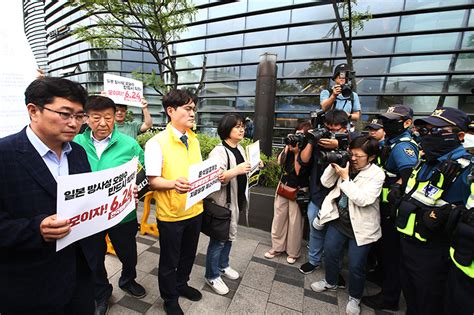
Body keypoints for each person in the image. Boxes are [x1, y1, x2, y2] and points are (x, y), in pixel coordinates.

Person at [0, 77, 99, 314]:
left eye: (79, 116)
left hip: (80, 275)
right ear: (33, 110)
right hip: (30, 285)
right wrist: (37, 229)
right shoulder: (4, 155)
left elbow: (84, 199)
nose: (74, 123)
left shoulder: (78, 152)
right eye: (65, 114)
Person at [74, 95, 146, 315]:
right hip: (89, 217)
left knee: (128, 253)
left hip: (122, 214)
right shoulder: (74, 144)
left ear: (115, 117)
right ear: (86, 118)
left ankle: (128, 279)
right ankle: (101, 293)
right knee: (93, 257)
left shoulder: (129, 144)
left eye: (108, 117)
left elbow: (144, 175)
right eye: (96, 118)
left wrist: (137, 189)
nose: (103, 123)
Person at [395, 107, 471, 315]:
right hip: (409, 241)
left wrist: (453, 213)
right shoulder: (425, 162)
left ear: (460, 135)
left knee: (429, 303)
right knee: (411, 297)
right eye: (426, 130)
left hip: (435, 251)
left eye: (437, 131)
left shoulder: (466, 170)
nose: (429, 136)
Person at [311, 135, 385, 315]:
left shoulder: (377, 174)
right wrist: (333, 164)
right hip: (340, 221)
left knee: (356, 265)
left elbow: (363, 200)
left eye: (358, 156)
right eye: (351, 154)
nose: (353, 159)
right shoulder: (347, 165)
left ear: (371, 157)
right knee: (330, 252)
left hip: (362, 227)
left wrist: (345, 178)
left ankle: (355, 297)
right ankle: (331, 281)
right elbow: (325, 183)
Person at [144, 89, 203, 315]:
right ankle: (169, 299)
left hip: (195, 209)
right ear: (170, 111)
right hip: (171, 214)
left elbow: (195, 172)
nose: (192, 114)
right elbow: (153, 181)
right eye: (187, 109)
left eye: (193, 109)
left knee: (189, 255)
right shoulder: (156, 143)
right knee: (169, 260)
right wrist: (173, 184)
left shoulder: (194, 140)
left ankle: (182, 285)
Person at [362, 105, 419, 312]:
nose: (386, 124)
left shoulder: (403, 147)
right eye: (385, 119)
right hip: (384, 206)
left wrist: (396, 186)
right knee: (384, 250)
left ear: (406, 123)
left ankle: (389, 297)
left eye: (391, 120)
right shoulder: (391, 142)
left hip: (393, 209)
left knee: (392, 254)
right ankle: (380, 277)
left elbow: (409, 175)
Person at [298, 109, 352, 280]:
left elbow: (359, 158)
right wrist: (311, 140)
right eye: (328, 128)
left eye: (335, 130)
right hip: (317, 194)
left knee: (335, 237)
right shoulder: (318, 140)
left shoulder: (353, 142)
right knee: (315, 229)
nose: (330, 133)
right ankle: (313, 261)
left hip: (339, 198)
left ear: (344, 128)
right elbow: (304, 160)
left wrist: (340, 145)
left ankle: (334, 270)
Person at [204, 113, 251, 295]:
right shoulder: (219, 151)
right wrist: (237, 170)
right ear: (226, 129)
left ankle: (223, 265)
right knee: (218, 240)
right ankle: (212, 275)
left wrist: (254, 165)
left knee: (229, 237)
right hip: (223, 203)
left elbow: (243, 171)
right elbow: (217, 178)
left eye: (243, 126)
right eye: (237, 126)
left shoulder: (240, 148)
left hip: (236, 201)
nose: (242, 129)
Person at [265, 121, 311, 264]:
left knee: (295, 222)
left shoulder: (307, 151)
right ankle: (277, 247)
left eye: (301, 135)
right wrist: (287, 146)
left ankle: (293, 252)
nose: (297, 138)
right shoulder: (289, 147)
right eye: (296, 133)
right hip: (283, 186)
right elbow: (279, 162)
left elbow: (299, 172)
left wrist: (297, 152)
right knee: (279, 218)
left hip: (298, 189)